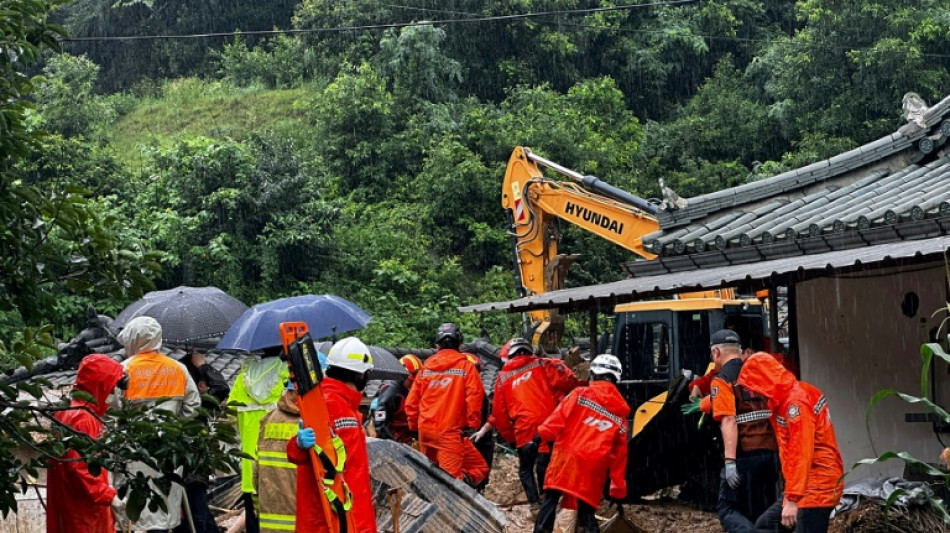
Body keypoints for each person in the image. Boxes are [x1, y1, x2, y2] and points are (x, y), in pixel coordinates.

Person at [738, 353, 844, 533]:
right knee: (766, 526)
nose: (754, 394)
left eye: (755, 388)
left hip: (815, 487)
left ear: (765, 381)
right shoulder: (790, 397)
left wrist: (793, 499)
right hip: (806, 485)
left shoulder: (795, 404)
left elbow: (801, 453)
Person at [113, 316, 201, 533]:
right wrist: (177, 426)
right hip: (168, 451)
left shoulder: (122, 371)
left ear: (133, 339)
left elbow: (111, 413)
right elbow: (193, 407)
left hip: (133, 451)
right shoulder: (178, 369)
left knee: (135, 513)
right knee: (165, 506)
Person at [477, 337, 582, 513]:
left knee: (525, 469)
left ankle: (534, 505)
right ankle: (548, 500)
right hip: (550, 428)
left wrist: (511, 439)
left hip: (524, 431)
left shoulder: (503, 379)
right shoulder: (544, 365)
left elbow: (500, 416)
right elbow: (570, 383)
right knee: (546, 463)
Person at [532, 354, 630, 533]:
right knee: (586, 512)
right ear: (616, 379)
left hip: (566, 460)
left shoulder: (579, 394)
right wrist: (617, 489)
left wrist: (540, 436)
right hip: (592, 468)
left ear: (592, 375)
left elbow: (557, 419)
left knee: (551, 501)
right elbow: (619, 456)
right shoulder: (621, 417)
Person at [288, 336, 377, 533]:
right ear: (362, 375)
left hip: (335, 515)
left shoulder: (329, 403)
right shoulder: (333, 405)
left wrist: (298, 446)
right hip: (336, 518)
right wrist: (298, 445)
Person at [705, 329, 780, 533]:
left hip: (745, 456)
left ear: (717, 353)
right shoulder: (758, 373)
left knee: (728, 508)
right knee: (762, 508)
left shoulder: (722, 380)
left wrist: (730, 462)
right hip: (771, 453)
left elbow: (729, 420)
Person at [47, 353, 128, 533]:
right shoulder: (83, 418)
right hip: (83, 511)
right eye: (113, 386)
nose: (116, 393)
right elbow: (80, 468)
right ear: (101, 384)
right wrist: (108, 495)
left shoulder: (71, 411)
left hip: (76, 506)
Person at [405, 323, 489, 487]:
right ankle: (450, 510)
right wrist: (471, 425)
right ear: (460, 344)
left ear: (437, 345)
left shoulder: (426, 367)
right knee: (451, 484)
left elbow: (411, 402)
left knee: (429, 476)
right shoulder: (466, 367)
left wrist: (415, 426)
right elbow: (474, 397)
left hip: (426, 432)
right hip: (449, 432)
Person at [228, 350, 289, 533]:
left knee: (253, 521)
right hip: (281, 469)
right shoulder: (286, 375)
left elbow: (231, 415)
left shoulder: (243, 378)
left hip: (250, 467)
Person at [174, 351, 231, 533]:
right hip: (193, 469)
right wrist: (202, 366)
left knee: (197, 514)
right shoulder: (196, 405)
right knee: (198, 515)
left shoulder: (173, 403)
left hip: (179, 469)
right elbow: (221, 387)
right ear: (198, 384)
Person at [254, 380, 302, 533]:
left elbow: (257, 468)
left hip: (270, 515)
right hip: (304, 517)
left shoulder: (268, 418)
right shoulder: (313, 422)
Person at [373, 354, 422, 444]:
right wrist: (392, 444)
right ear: (404, 376)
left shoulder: (407, 391)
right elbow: (380, 423)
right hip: (395, 441)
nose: (414, 384)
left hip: (407, 440)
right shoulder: (391, 392)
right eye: (412, 380)